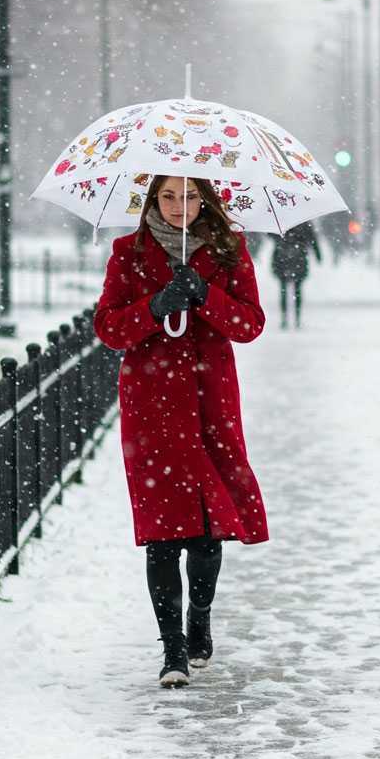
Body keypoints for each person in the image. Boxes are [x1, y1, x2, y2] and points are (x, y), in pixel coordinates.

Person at [93, 175, 268, 688]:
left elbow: (250, 324)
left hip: (210, 401)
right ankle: (172, 650)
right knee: (164, 534)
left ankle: (200, 618)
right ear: (152, 200)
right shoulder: (129, 252)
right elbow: (108, 328)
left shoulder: (228, 249)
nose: (179, 206)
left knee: (209, 530)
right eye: (168, 196)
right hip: (153, 408)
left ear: (205, 200)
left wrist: (206, 295)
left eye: (190, 196)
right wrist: (155, 306)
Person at [271, 221, 322, 329]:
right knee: (297, 290)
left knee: (283, 290)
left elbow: (271, 235)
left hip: (282, 257)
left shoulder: (279, 221)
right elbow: (312, 239)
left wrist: (281, 239)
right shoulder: (303, 220)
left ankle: (284, 318)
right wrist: (318, 254)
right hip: (299, 258)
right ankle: (297, 318)